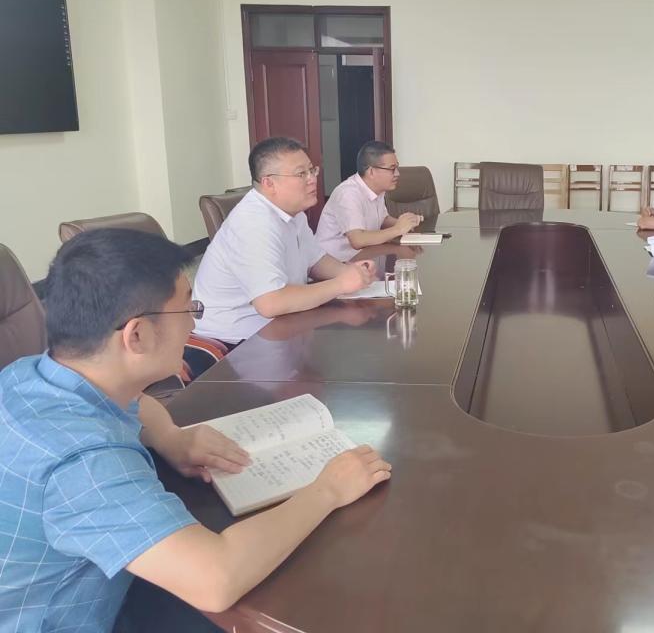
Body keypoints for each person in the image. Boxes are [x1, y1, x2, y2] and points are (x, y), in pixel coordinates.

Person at [0, 229, 391, 633]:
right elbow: (215, 579)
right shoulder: (82, 462)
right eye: (188, 309)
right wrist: (327, 490)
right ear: (137, 335)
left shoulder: (29, 376)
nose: (192, 323)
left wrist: (171, 437)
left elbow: (137, 403)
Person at [193, 137, 373, 344]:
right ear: (269, 183)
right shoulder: (253, 223)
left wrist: (351, 273)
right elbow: (271, 303)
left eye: (312, 170)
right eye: (301, 174)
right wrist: (340, 284)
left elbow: (315, 260)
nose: (312, 179)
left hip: (278, 324)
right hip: (235, 339)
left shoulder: (293, 213)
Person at [316, 141, 423, 261]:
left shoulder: (378, 189)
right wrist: (398, 229)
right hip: (334, 262)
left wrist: (407, 224)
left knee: (407, 255)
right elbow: (358, 240)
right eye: (392, 169)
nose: (397, 174)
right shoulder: (348, 194)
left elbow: (383, 219)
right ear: (371, 171)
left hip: (361, 255)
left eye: (396, 167)